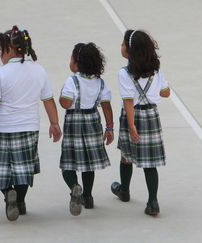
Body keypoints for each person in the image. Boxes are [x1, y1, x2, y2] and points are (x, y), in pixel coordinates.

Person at [0, 25, 62, 221]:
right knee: (23, 170)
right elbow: (48, 100)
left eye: (1, 50)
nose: (0, 54)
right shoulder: (39, 70)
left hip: (3, 129)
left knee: (1, 170)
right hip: (29, 129)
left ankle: (8, 194)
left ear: (9, 50)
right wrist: (54, 123)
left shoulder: (0, 73)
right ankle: (20, 201)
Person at [111, 30, 171, 216]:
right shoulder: (156, 70)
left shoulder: (124, 73)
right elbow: (166, 92)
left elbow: (128, 100)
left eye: (123, 44)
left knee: (126, 155)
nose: (120, 46)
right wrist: (155, 90)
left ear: (130, 51)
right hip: (151, 115)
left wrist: (131, 125)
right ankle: (152, 201)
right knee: (150, 161)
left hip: (133, 116)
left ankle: (125, 190)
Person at [59, 43, 113, 216]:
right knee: (89, 164)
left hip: (75, 122)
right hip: (92, 122)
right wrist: (109, 127)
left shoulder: (72, 80)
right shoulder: (100, 83)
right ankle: (88, 196)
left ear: (77, 63)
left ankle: (75, 187)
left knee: (68, 163)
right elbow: (106, 107)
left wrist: (62, 97)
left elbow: (66, 103)